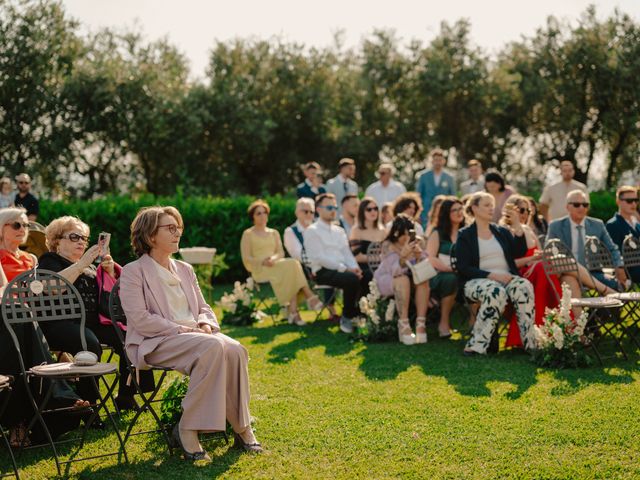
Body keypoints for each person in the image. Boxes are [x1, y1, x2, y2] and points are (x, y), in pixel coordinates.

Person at [120, 206, 263, 461]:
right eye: (170, 228)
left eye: (179, 228)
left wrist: (206, 324)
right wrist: (182, 329)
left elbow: (203, 307)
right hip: (157, 341)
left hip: (195, 336)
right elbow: (140, 319)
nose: (177, 234)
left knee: (235, 349)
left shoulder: (185, 269)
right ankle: (187, 428)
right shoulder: (133, 271)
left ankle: (242, 427)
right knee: (212, 348)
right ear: (150, 235)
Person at [38, 216, 154, 411]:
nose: (82, 242)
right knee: (89, 343)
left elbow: (108, 297)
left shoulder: (90, 267)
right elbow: (52, 288)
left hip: (92, 323)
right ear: (57, 241)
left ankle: (126, 394)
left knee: (131, 338)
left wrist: (109, 272)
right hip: (60, 323)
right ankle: (88, 405)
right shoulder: (50, 261)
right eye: (75, 237)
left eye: (84, 238)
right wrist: (82, 263)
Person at [0, 208, 88, 447]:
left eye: (25, 225)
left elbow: (40, 294)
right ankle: (60, 398)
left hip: (30, 322)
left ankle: (29, 422)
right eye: (16, 225)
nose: (23, 229)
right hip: (9, 321)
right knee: (17, 333)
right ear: (1, 229)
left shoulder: (31, 260)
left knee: (20, 349)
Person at [454, 192, 536, 355]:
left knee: (524, 286)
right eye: (486, 205)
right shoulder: (465, 235)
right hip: (476, 281)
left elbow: (518, 252)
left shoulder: (501, 231)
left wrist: (517, 225)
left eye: (492, 205)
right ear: (475, 208)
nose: (491, 208)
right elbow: (463, 267)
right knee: (495, 290)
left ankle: (530, 343)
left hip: (506, 278)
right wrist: (492, 275)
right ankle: (477, 345)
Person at [240, 200, 322, 327]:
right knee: (292, 266)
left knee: (291, 267)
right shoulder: (248, 234)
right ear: (253, 216)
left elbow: (280, 253)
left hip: (276, 265)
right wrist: (262, 261)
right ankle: (309, 296)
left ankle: (293, 312)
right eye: (258, 213)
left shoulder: (274, 233)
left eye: (264, 213)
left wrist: (273, 259)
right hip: (260, 269)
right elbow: (246, 257)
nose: (262, 216)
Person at [546, 190, 627, 292]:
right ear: (567, 207)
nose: (581, 208)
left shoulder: (597, 225)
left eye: (585, 205)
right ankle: (603, 294)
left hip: (594, 273)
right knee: (569, 283)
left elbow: (612, 248)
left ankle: (600, 308)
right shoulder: (556, 226)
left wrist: (619, 266)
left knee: (616, 285)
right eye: (576, 205)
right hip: (569, 273)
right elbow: (548, 250)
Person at [304, 193, 362, 334]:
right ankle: (347, 317)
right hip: (322, 271)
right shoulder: (312, 231)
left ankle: (361, 314)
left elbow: (347, 253)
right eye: (329, 207)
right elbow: (318, 258)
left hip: (342, 269)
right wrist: (345, 269)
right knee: (351, 279)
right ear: (318, 209)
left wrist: (356, 268)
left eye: (335, 207)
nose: (333, 210)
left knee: (364, 275)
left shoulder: (339, 230)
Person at [373, 214, 429, 345]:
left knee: (423, 280)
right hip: (387, 279)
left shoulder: (417, 242)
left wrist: (419, 254)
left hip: (411, 279)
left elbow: (425, 268)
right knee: (402, 279)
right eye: (404, 234)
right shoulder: (388, 245)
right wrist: (403, 255)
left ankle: (421, 324)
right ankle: (404, 324)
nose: (407, 238)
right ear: (397, 233)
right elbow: (394, 271)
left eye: (410, 234)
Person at [283, 198, 340, 320]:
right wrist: (318, 261)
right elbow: (297, 254)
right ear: (297, 212)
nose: (309, 214)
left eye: (312, 212)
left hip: (321, 263)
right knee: (297, 269)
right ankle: (318, 303)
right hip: (303, 267)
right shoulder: (290, 231)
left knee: (331, 267)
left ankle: (328, 306)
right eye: (305, 211)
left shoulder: (319, 229)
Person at [425, 197, 463, 338]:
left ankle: (473, 323)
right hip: (439, 273)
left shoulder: (466, 232)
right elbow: (431, 258)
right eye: (454, 210)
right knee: (451, 279)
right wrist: (449, 269)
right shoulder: (438, 233)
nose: (459, 212)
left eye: (460, 209)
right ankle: (444, 322)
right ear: (447, 213)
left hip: (462, 272)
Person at [349, 197, 386, 295]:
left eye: (375, 208)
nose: (373, 211)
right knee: (370, 275)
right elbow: (357, 257)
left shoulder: (382, 230)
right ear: (362, 212)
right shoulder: (356, 230)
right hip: (363, 268)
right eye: (369, 209)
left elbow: (386, 252)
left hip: (380, 266)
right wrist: (378, 258)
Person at [606, 185, 640, 284]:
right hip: (628, 270)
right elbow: (614, 255)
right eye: (629, 201)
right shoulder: (613, 224)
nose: (633, 204)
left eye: (635, 200)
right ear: (618, 201)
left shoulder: (637, 224)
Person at [415, 148, 456, 225]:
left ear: (443, 161)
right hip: (426, 214)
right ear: (432, 161)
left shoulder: (449, 177)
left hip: (444, 214)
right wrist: (418, 215)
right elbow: (418, 196)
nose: (438, 162)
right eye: (436, 160)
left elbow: (453, 196)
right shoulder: (423, 176)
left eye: (440, 160)